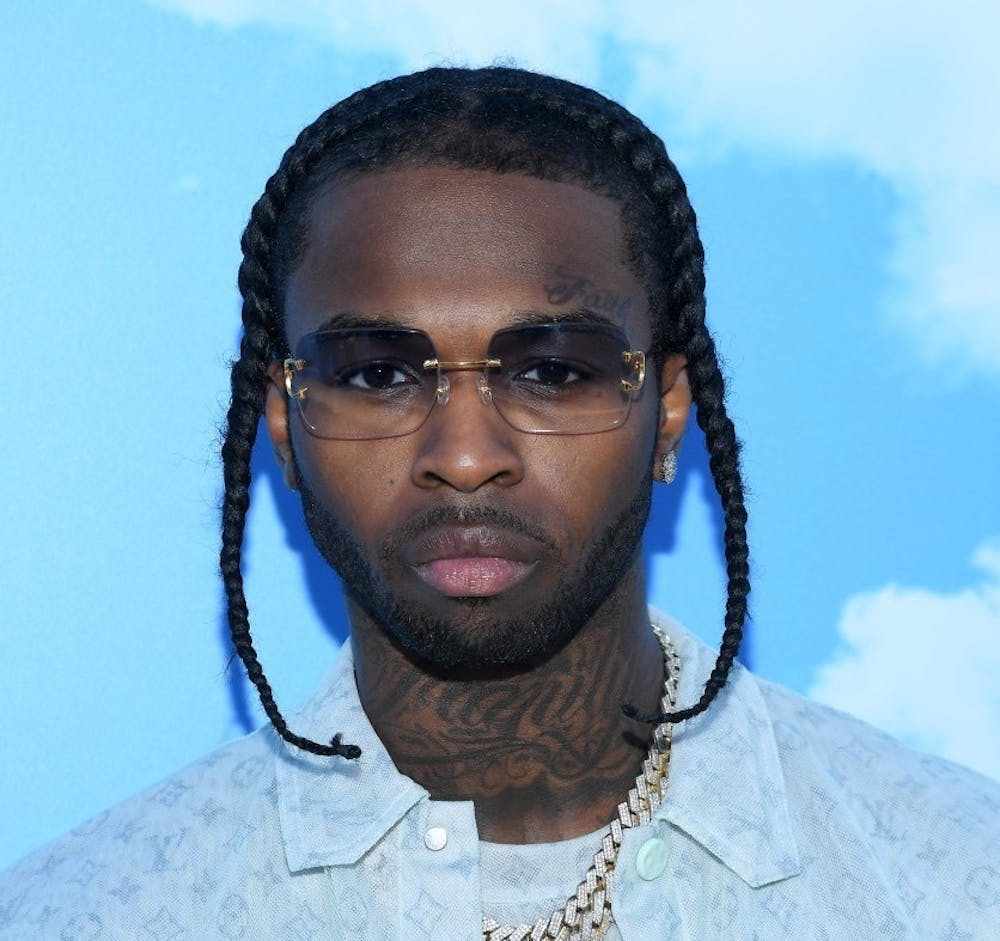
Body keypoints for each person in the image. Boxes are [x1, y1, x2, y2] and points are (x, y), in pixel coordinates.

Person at [1, 66, 996, 941]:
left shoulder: (957, 881)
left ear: (667, 413)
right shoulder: (86, 913)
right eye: (379, 372)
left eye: (553, 371)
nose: (467, 456)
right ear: (283, 424)